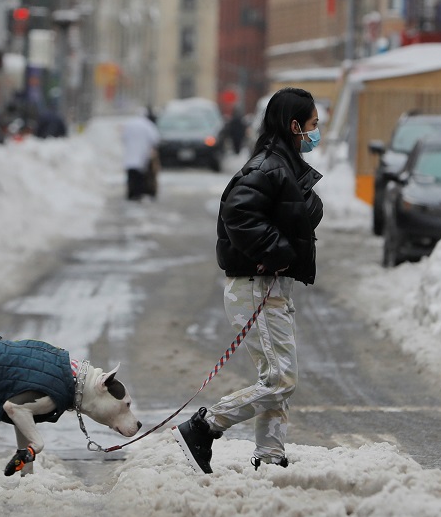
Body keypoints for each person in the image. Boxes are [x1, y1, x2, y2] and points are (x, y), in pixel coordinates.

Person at [174, 87, 323, 474]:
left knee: (274, 378)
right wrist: (278, 254)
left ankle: (271, 457)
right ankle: (203, 427)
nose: (315, 133)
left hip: (271, 287)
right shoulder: (268, 167)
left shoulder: (283, 165)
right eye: (312, 125)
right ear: (294, 126)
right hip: (257, 288)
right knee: (280, 380)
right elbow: (238, 215)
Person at [121, 107, 160, 201]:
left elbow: (123, 137)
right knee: (141, 175)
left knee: (131, 175)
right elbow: (155, 138)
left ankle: (131, 193)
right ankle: (140, 193)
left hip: (130, 154)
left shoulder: (129, 124)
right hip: (143, 154)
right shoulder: (147, 125)